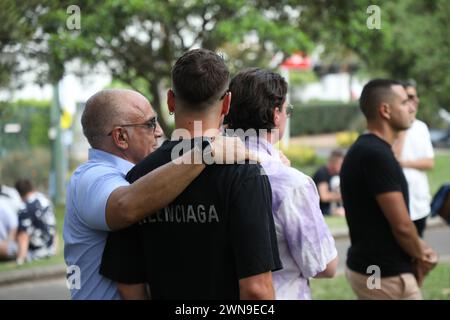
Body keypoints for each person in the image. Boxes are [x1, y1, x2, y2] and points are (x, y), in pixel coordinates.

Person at [100, 49, 282, 300]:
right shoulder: (244, 172)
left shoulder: (138, 177)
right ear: (227, 103)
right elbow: (257, 289)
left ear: (171, 101)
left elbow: (128, 284)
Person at [64, 88, 255, 299]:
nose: (159, 131)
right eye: (150, 124)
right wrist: (206, 153)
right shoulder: (91, 177)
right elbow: (125, 206)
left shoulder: (142, 173)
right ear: (121, 137)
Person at [225, 68, 337, 300]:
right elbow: (324, 265)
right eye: (287, 110)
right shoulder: (291, 184)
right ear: (276, 115)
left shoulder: (201, 169)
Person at [340, 79, 438, 300]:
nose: (412, 107)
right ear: (385, 110)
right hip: (379, 275)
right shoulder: (376, 155)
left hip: (378, 270)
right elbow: (402, 226)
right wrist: (423, 254)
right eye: (405, 102)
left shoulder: (370, 149)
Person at [392, 82, 434, 237]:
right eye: (409, 97)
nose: (415, 100)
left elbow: (429, 162)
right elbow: (392, 158)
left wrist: (405, 163)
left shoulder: (421, 127)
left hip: (419, 202)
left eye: (416, 96)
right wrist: (403, 128)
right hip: (399, 204)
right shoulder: (391, 127)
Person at [14, 179, 56, 265]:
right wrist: (54, 251)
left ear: (19, 194)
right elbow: (54, 229)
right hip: (50, 251)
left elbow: (23, 236)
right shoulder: (46, 202)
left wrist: (20, 260)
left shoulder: (25, 208)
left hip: (35, 254)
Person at [312, 150, 345, 216]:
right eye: (340, 164)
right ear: (333, 163)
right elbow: (324, 197)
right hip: (320, 209)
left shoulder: (338, 174)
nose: (342, 166)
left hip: (332, 208)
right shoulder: (322, 173)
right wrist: (344, 196)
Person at [0, 184, 22, 261]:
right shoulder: (4, 204)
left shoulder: (3, 205)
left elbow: (14, 227)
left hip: (5, 245)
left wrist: (7, 243)